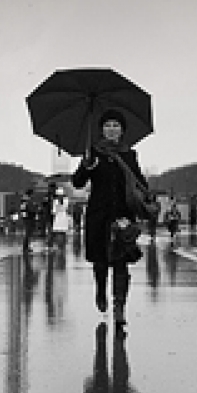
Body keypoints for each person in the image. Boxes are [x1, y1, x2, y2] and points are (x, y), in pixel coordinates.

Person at [72, 108, 147, 330]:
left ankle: (119, 307)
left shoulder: (129, 155)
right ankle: (101, 290)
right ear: (102, 130)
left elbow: (141, 182)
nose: (112, 129)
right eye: (107, 125)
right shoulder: (92, 154)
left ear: (122, 130)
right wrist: (87, 168)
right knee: (101, 261)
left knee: (121, 263)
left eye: (116, 125)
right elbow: (77, 183)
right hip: (98, 215)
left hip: (122, 216)